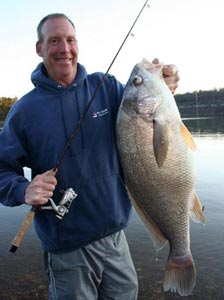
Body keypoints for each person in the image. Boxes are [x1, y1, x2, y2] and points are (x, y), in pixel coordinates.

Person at [0, 13, 180, 300]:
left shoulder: (106, 87)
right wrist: (24, 189)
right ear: (39, 48)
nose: (65, 49)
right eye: (54, 41)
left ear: (77, 44)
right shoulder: (24, 111)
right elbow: (2, 169)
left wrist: (165, 86)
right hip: (66, 249)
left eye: (70, 40)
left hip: (116, 238)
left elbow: (145, 109)